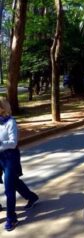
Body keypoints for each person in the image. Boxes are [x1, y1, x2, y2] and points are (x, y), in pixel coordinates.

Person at [0, 98, 39, 231]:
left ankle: (12, 218)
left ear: (3, 108)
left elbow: (13, 142)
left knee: (9, 187)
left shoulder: (10, 122)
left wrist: (0, 144)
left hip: (10, 157)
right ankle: (32, 197)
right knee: (14, 182)